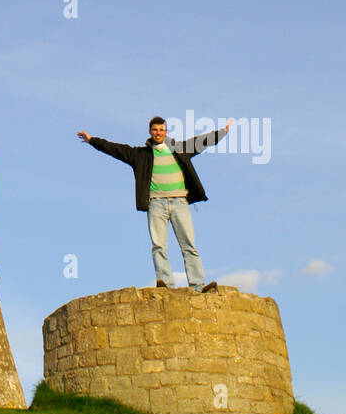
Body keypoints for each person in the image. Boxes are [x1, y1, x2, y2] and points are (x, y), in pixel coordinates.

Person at [76, 116, 233, 291]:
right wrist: (92, 141)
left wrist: (222, 132)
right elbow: (116, 149)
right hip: (156, 204)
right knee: (159, 246)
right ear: (150, 132)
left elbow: (201, 142)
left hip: (179, 201)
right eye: (155, 130)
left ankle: (197, 285)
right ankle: (166, 285)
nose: (158, 133)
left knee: (189, 245)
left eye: (161, 130)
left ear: (166, 132)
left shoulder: (179, 149)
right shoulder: (140, 155)